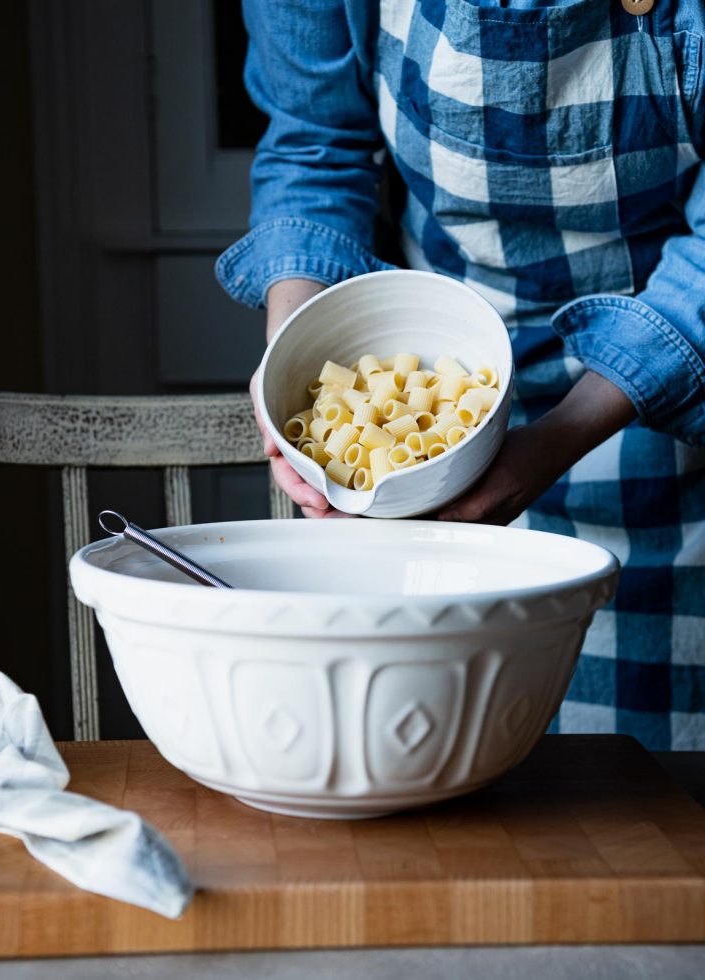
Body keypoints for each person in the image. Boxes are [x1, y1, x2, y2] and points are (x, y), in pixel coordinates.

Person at [216, 0, 705, 750]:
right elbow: (316, 144)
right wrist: (295, 344)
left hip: (670, 399)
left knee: (640, 795)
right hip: (443, 359)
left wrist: (555, 439)